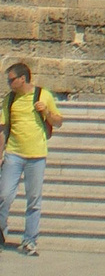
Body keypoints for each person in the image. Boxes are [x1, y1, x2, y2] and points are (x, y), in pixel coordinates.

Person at [0, 62, 63, 256]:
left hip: (36, 155)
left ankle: (30, 240)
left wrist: (45, 111)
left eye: (11, 80)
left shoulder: (43, 95)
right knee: (4, 196)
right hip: (13, 153)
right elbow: (3, 128)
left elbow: (58, 122)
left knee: (33, 199)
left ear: (22, 79)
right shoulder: (9, 99)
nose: (9, 83)